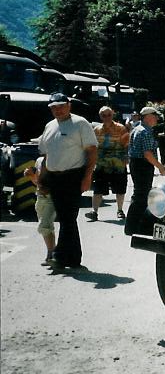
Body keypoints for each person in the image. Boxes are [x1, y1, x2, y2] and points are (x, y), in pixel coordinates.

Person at [37, 93, 98, 270]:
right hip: (54, 177)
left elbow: (92, 151)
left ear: (69, 105)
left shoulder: (80, 123)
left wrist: (87, 177)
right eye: (53, 107)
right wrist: (42, 178)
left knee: (68, 216)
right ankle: (73, 258)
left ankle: (59, 256)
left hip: (73, 175)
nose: (58, 110)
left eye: (61, 106)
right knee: (66, 218)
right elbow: (46, 154)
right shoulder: (49, 126)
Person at [124, 106, 165, 236]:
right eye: (155, 116)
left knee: (140, 195)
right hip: (143, 165)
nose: (157, 118)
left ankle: (134, 225)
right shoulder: (145, 132)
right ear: (148, 117)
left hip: (137, 164)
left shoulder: (138, 129)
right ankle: (133, 226)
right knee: (141, 196)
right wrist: (160, 166)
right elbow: (148, 153)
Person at [86, 106, 130, 222]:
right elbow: (93, 147)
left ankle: (120, 210)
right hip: (102, 165)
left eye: (109, 115)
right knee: (98, 189)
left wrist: (126, 158)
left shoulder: (121, 128)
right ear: (100, 116)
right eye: (104, 115)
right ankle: (94, 212)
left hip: (118, 164)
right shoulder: (96, 130)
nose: (106, 117)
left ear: (112, 115)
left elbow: (127, 145)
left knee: (120, 189)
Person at [23, 156, 56, 266]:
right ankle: (51, 253)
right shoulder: (39, 160)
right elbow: (38, 182)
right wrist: (32, 176)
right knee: (47, 227)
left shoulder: (57, 159)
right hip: (40, 197)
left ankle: (53, 253)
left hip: (52, 197)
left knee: (44, 226)